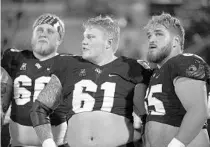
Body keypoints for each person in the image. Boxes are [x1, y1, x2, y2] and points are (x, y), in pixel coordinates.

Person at [30, 15, 153, 147]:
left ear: (108, 43)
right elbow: (39, 109)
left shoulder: (131, 68)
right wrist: (48, 143)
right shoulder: (68, 65)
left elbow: (148, 116)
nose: (84, 41)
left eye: (90, 37)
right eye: (84, 37)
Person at [1, 13, 69, 147]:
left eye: (50, 31)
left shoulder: (68, 63)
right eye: (39, 29)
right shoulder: (14, 58)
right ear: (32, 35)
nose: (43, 34)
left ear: (59, 39)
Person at [143, 12, 210, 147]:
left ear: (176, 41)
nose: (151, 39)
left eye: (159, 34)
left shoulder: (184, 61)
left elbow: (199, 112)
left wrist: (176, 145)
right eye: (149, 35)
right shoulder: (157, 73)